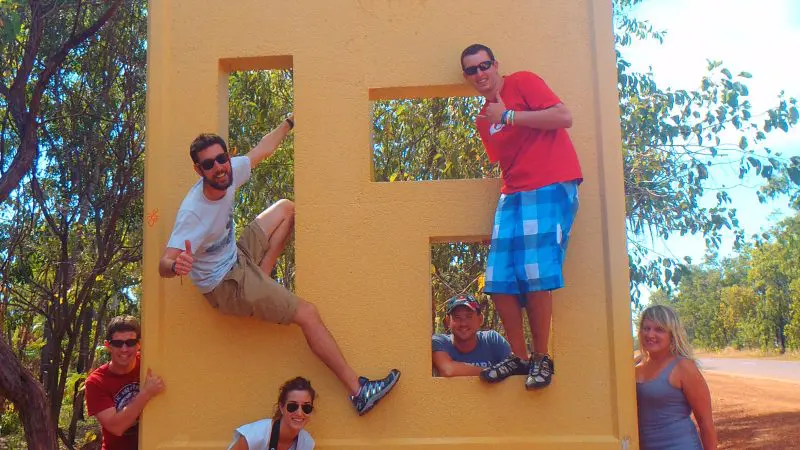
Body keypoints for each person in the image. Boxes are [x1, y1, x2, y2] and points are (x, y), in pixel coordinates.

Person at [158, 117, 399, 416]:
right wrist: (176, 264)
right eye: (209, 164)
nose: (219, 167)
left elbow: (264, 149)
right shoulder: (193, 213)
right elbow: (163, 263)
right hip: (226, 284)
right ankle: (359, 392)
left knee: (286, 209)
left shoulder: (231, 172)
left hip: (238, 257)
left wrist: (290, 121)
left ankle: (263, 280)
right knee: (308, 314)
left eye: (222, 158)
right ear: (199, 170)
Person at [459, 43, 582, 389]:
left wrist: (509, 116)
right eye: (471, 70)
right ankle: (519, 357)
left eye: (484, 66)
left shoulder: (523, 83)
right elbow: (506, 161)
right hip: (513, 193)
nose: (480, 74)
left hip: (550, 184)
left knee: (536, 273)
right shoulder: (483, 118)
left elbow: (564, 117)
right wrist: (497, 120)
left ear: (496, 65)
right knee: (498, 280)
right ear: (467, 77)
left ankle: (542, 357)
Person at [636, 305, 717, 450]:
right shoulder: (634, 367)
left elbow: (705, 422)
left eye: (659, 329)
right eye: (646, 328)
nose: (650, 334)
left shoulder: (684, 367)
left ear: (672, 334)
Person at [85, 315, 165, 449]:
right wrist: (146, 393)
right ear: (108, 346)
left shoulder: (150, 363)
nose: (124, 349)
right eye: (117, 343)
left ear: (139, 344)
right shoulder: (96, 382)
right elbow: (116, 427)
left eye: (130, 342)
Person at [431, 294, 512, 377]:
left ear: (480, 319)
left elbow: (513, 368)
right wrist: (492, 373)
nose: (463, 323)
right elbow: (448, 369)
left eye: (469, 316)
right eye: (457, 317)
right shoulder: (439, 342)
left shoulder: (492, 340)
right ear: (448, 321)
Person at [228, 377, 317, 450]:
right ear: (281, 407)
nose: (299, 413)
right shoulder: (256, 436)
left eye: (306, 408)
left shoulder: (306, 443)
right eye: (292, 406)